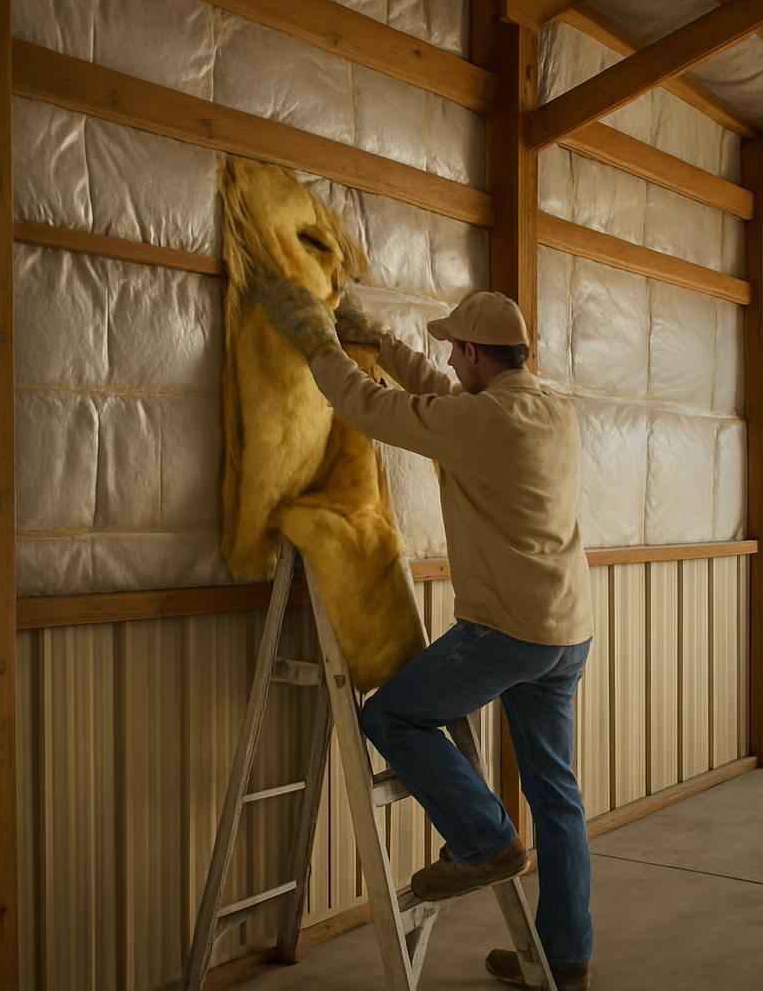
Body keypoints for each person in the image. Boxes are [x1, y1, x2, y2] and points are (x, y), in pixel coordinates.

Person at [250, 270, 595, 990]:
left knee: (394, 716)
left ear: (474, 353)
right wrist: (380, 338)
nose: (445, 361)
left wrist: (320, 346)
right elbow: (438, 394)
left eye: (453, 351)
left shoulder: (482, 422)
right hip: (566, 629)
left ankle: (483, 839)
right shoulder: (547, 406)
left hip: (507, 630)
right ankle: (565, 957)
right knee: (557, 796)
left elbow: (375, 408)